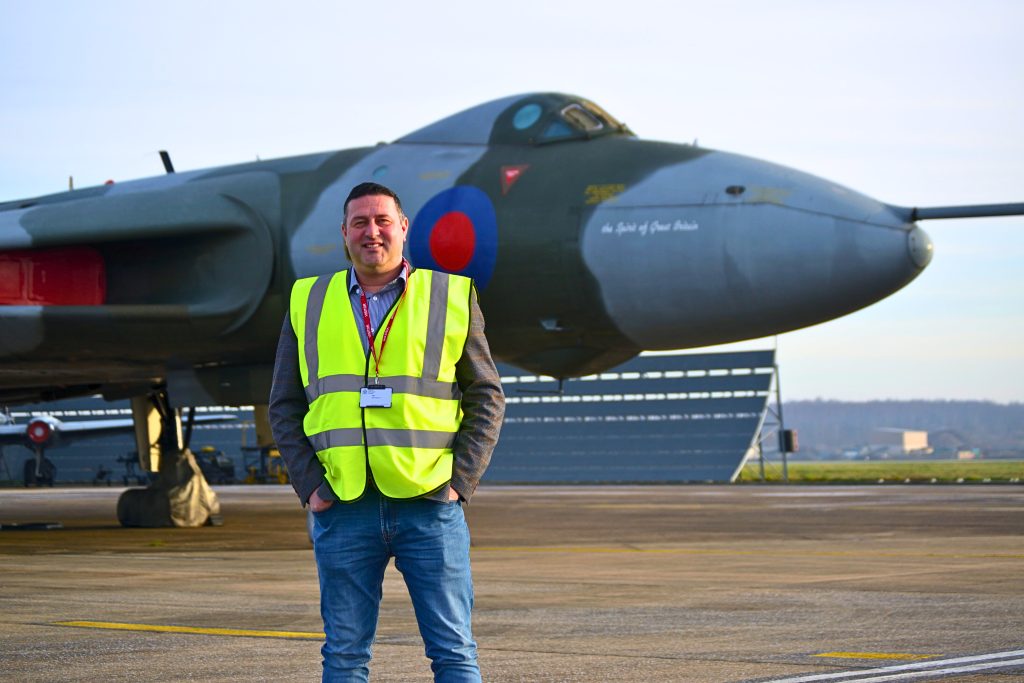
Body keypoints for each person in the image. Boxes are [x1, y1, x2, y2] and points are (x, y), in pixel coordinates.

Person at [268, 182, 504, 683]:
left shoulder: (450, 295)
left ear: (403, 228)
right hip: (343, 505)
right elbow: (284, 404)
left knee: (454, 652)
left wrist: (460, 481)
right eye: (359, 222)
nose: (371, 232)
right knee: (344, 656)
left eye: (382, 221)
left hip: (429, 502)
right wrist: (309, 484)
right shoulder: (308, 300)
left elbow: (487, 395)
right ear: (344, 233)